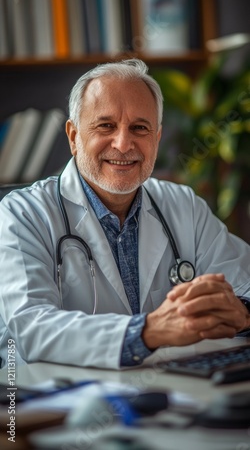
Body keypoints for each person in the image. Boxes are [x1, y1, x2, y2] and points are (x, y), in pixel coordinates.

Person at [0, 58, 250, 370]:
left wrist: (242, 312)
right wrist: (149, 331)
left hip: (170, 390)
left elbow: (243, 281)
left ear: (156, 139)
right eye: (105, 125)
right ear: (73, 136)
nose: (123, 143)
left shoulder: (182, 203)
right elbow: (32, 329)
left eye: (139, 128)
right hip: (62, 400)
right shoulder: (23, 213)